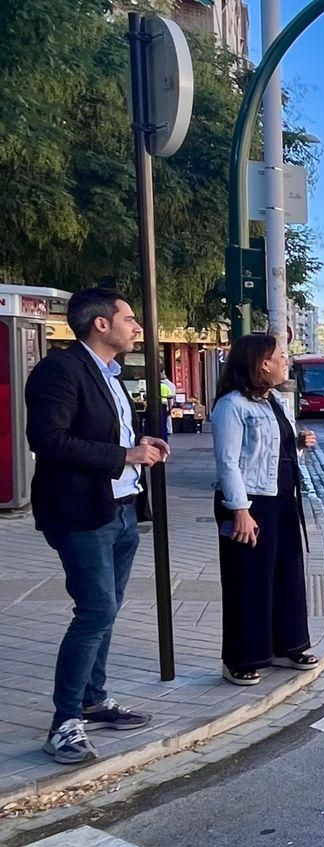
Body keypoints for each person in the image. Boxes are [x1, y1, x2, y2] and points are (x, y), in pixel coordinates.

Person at [25, 287, 169, 764]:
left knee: (107, 609)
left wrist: (140, 442)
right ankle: (64, 723)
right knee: (96, 611)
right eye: (129, 318)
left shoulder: (110, 373)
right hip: (80, 512)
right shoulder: (60, 370)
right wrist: (125, 454)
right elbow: (48, 440)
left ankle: (93, 699)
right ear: (100, 324)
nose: (137, 327)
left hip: (121, 508)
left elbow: (107, 431)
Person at [212, 335, 321, 686]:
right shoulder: (232, 405)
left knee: (287, 575)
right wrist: (240, 509)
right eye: (280, 356)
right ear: (262, 363)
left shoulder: (276, 401)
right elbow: (228, 462)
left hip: (282, 499)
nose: (285, 361)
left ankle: (286, 647)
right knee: (248, 580)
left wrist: (299, 444)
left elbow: (274, 453)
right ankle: (240, 658)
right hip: (250, 502)